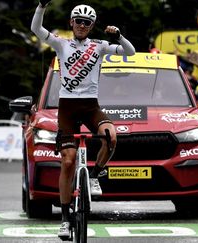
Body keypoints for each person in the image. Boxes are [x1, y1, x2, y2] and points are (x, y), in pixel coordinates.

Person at [30, 0, 136, 239]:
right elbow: (36, 30)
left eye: (87, 23)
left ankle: (96, 174)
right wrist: (41, 6)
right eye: (78, 21)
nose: (82, 25)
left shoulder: (98, 46)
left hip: (90, 106)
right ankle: (66, 219)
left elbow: (130, 52)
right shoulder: (61, 43)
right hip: (67, 108)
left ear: (92, 26)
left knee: (111, 137)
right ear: (71, 22)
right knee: (67, 162)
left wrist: (118, 36)